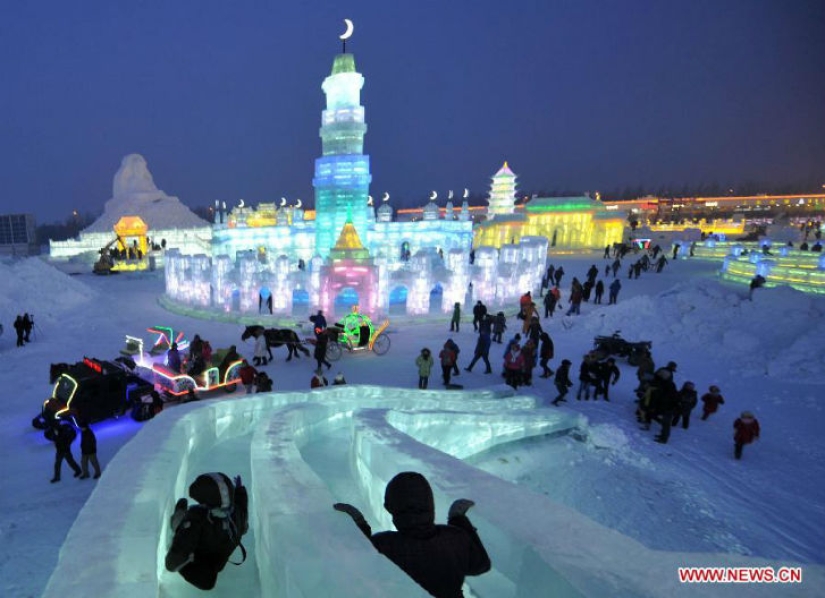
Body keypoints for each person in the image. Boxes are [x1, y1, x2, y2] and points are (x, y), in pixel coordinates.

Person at [333, 471, 491, 598]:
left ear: (390, 508)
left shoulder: (384, 545)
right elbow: (481, 565)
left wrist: (359, 525)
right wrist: (458, 520)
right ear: (430, 504)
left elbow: (357, 566)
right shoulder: (455, 537)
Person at [166, 472, 249, 590]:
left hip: (208, 556)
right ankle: (179, 518)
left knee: (209, 577)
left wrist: (240, 491)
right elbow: (242, 506)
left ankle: (180, 518)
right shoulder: (235, 514)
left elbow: (172, 564)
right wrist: (240, 490)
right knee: (207, 580)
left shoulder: (198, 518)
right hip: (208, 554)